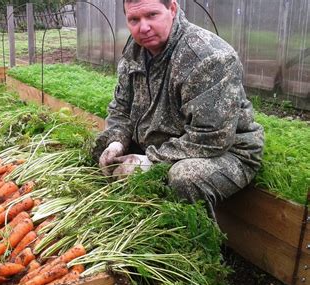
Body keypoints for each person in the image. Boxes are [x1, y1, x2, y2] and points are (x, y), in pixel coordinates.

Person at [93, 0, 264, 217]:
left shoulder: (208, 57)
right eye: (134, 19)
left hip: (225, 151)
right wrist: (116, 141)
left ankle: (196, 243)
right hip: (164, 144)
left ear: (172, 9)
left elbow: (212, 139)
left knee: (184, 177)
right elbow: (120, 108)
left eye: (152, 15)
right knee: (102, 150)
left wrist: (151, 161)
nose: (143, 27)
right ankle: (131, 220)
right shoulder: (136, 49)